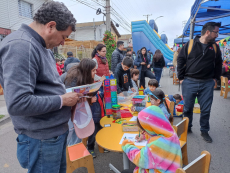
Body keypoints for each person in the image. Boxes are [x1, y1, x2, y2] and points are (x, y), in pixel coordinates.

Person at [0, 2, 82, 173]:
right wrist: (62, 100)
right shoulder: (22, 46)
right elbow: (18, 103)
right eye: (63, 36)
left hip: (52, 134)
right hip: (41, 139)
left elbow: (46, 86)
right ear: (51, 26)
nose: (63, 42)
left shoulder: (41, 46)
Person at [177, 22, 222, 143]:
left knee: (206, 109)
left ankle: (204, 131)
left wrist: (215, 78)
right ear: (208, 32)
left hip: (207, 83)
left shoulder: (215, 47)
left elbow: (219, 63)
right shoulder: (190, 44)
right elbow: (180, 60)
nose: (217, 35)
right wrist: (181, 78)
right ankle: (187, 127)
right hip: (189, 81)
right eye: (216, 32)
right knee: (187, 108)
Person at [64, 58, 105, 158]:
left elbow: (88, 92)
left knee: (76, 130)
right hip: (66, 110)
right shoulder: (73, 78)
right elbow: (70, 97)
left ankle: (75, 154)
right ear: (87, 70)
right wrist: (87, 99)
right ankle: (70, 157)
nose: (95, 72)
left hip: (76, 109)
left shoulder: (85, 77)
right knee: (71, 131)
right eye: (93, 70)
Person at [121, 106, 182, 173]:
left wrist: (127, 144)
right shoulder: (171, 131)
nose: (143, 132)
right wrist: (144, 136)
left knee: (125, 171)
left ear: (151, 128)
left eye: (145, 130)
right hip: (172, 168)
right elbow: (157, 133)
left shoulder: (156, 145)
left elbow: (139, 159)